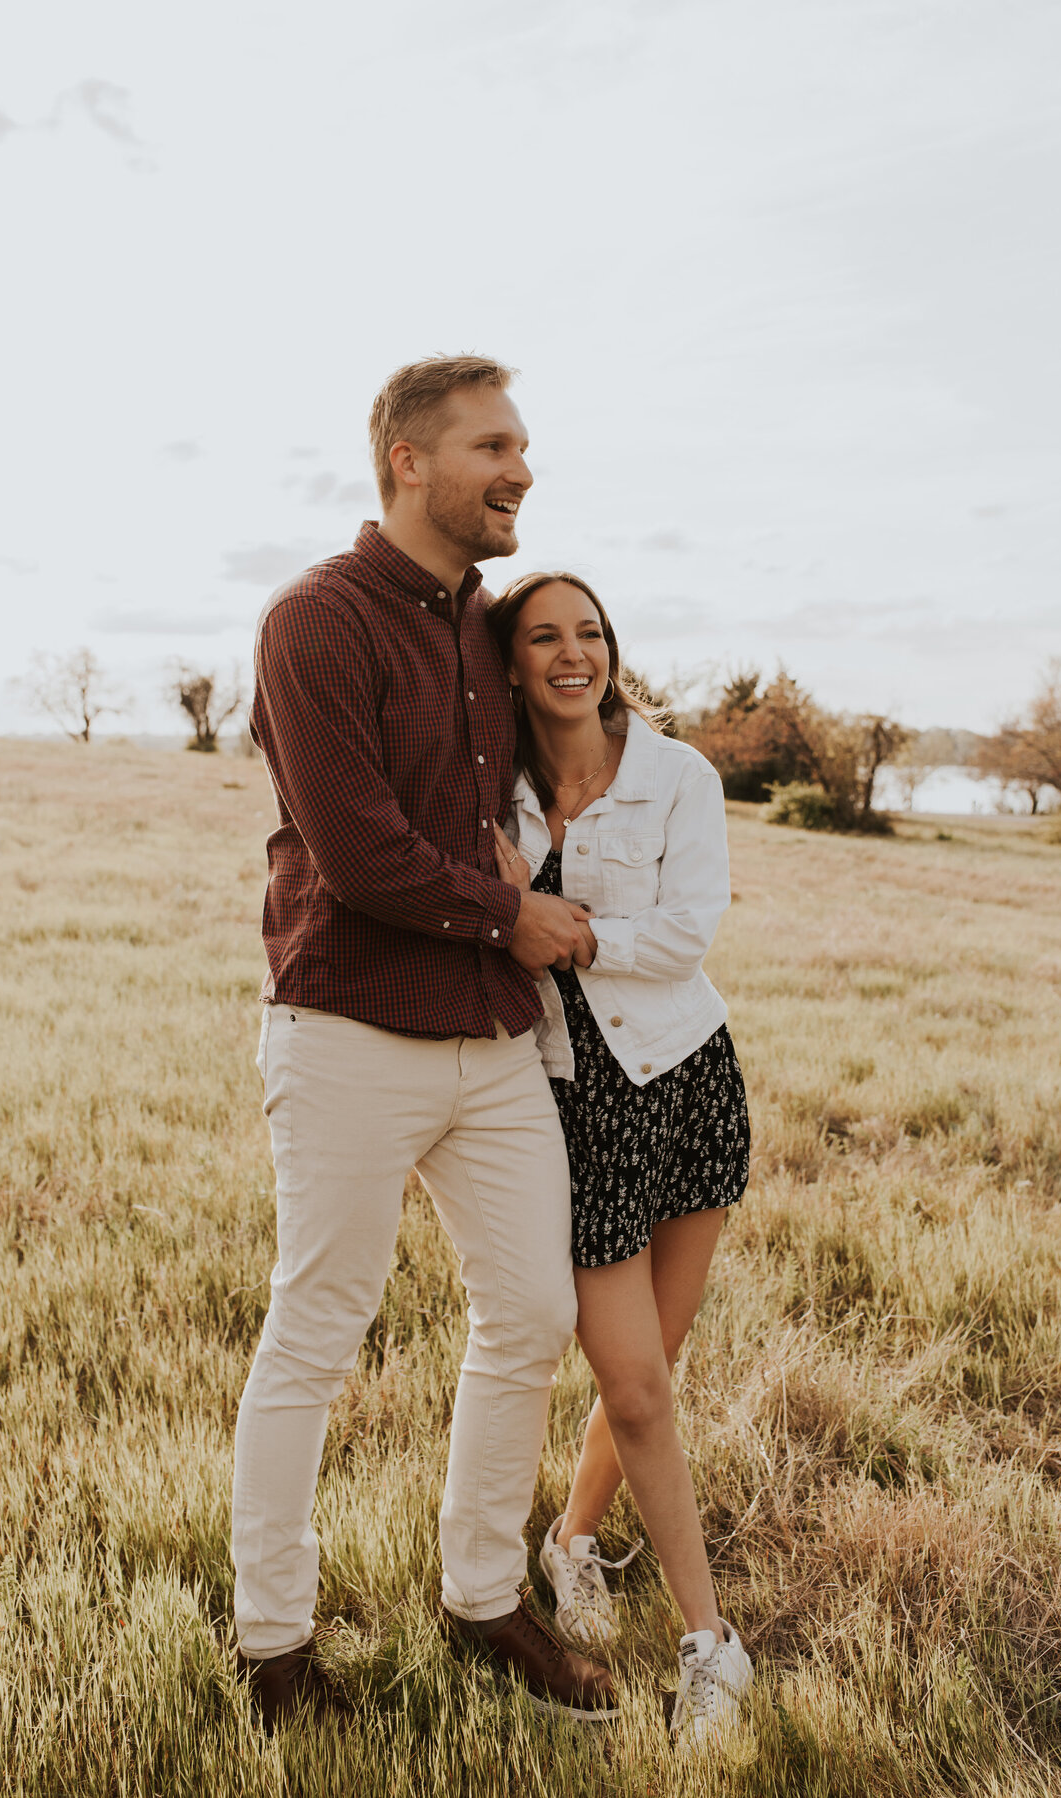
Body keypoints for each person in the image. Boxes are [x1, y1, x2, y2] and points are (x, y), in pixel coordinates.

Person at [233, 357, 617, 1732]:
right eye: (494, 446)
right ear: (407, 458)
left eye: (524, 446)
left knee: (528, 1312)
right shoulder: (313, 621)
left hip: (492, 1042)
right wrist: (512, 913)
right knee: (316, 1331)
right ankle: (274, 1643)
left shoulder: (488, 629)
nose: (521, 469)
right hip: (347, 1026)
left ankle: (480, 1598)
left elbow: (558, 758)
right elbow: (358, 854)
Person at [485, 571, 754, 1747]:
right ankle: (714, 1645)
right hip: (577, 1110)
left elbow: (690, 931)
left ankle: (572, 1541)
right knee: (635, 1383)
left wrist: (566, 930)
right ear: (508, 662)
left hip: (686, 1081)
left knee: (655, 1368)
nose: (571, 652)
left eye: (588, 632)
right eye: (543, 635)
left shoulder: (675, 774)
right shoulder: (489, 796)